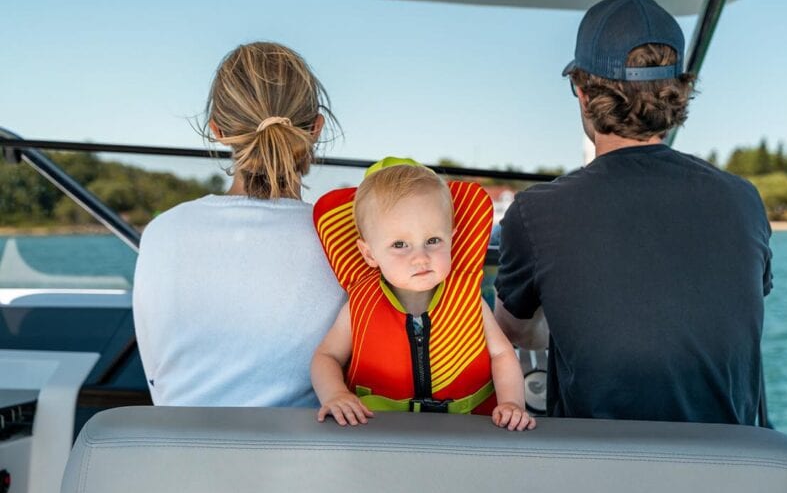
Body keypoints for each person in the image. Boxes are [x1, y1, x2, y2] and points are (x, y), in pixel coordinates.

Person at [494, 0, 773, 425]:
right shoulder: (743, 199)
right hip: (736, 474)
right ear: (677, 94)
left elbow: (512, 331)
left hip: (600, 475)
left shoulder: (536, 212)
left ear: (584, 95)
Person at [133, 41, 345, 407]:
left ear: (217, 130)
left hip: (175, 456)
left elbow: (159, 377)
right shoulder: (342, 238)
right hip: (306, 461)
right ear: (316, 128)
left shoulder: (161, 232)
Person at [310, 158, 535, 431]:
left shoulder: (470, 303)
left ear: (451, 238)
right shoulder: (359, 310)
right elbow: (326, 358)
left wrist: (512, 403)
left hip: (465, 433)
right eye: (400, 244)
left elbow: (502, 354)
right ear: (369, 254)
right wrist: (336, 394)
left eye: (432, 241)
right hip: (379, 434)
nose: (420, 258)